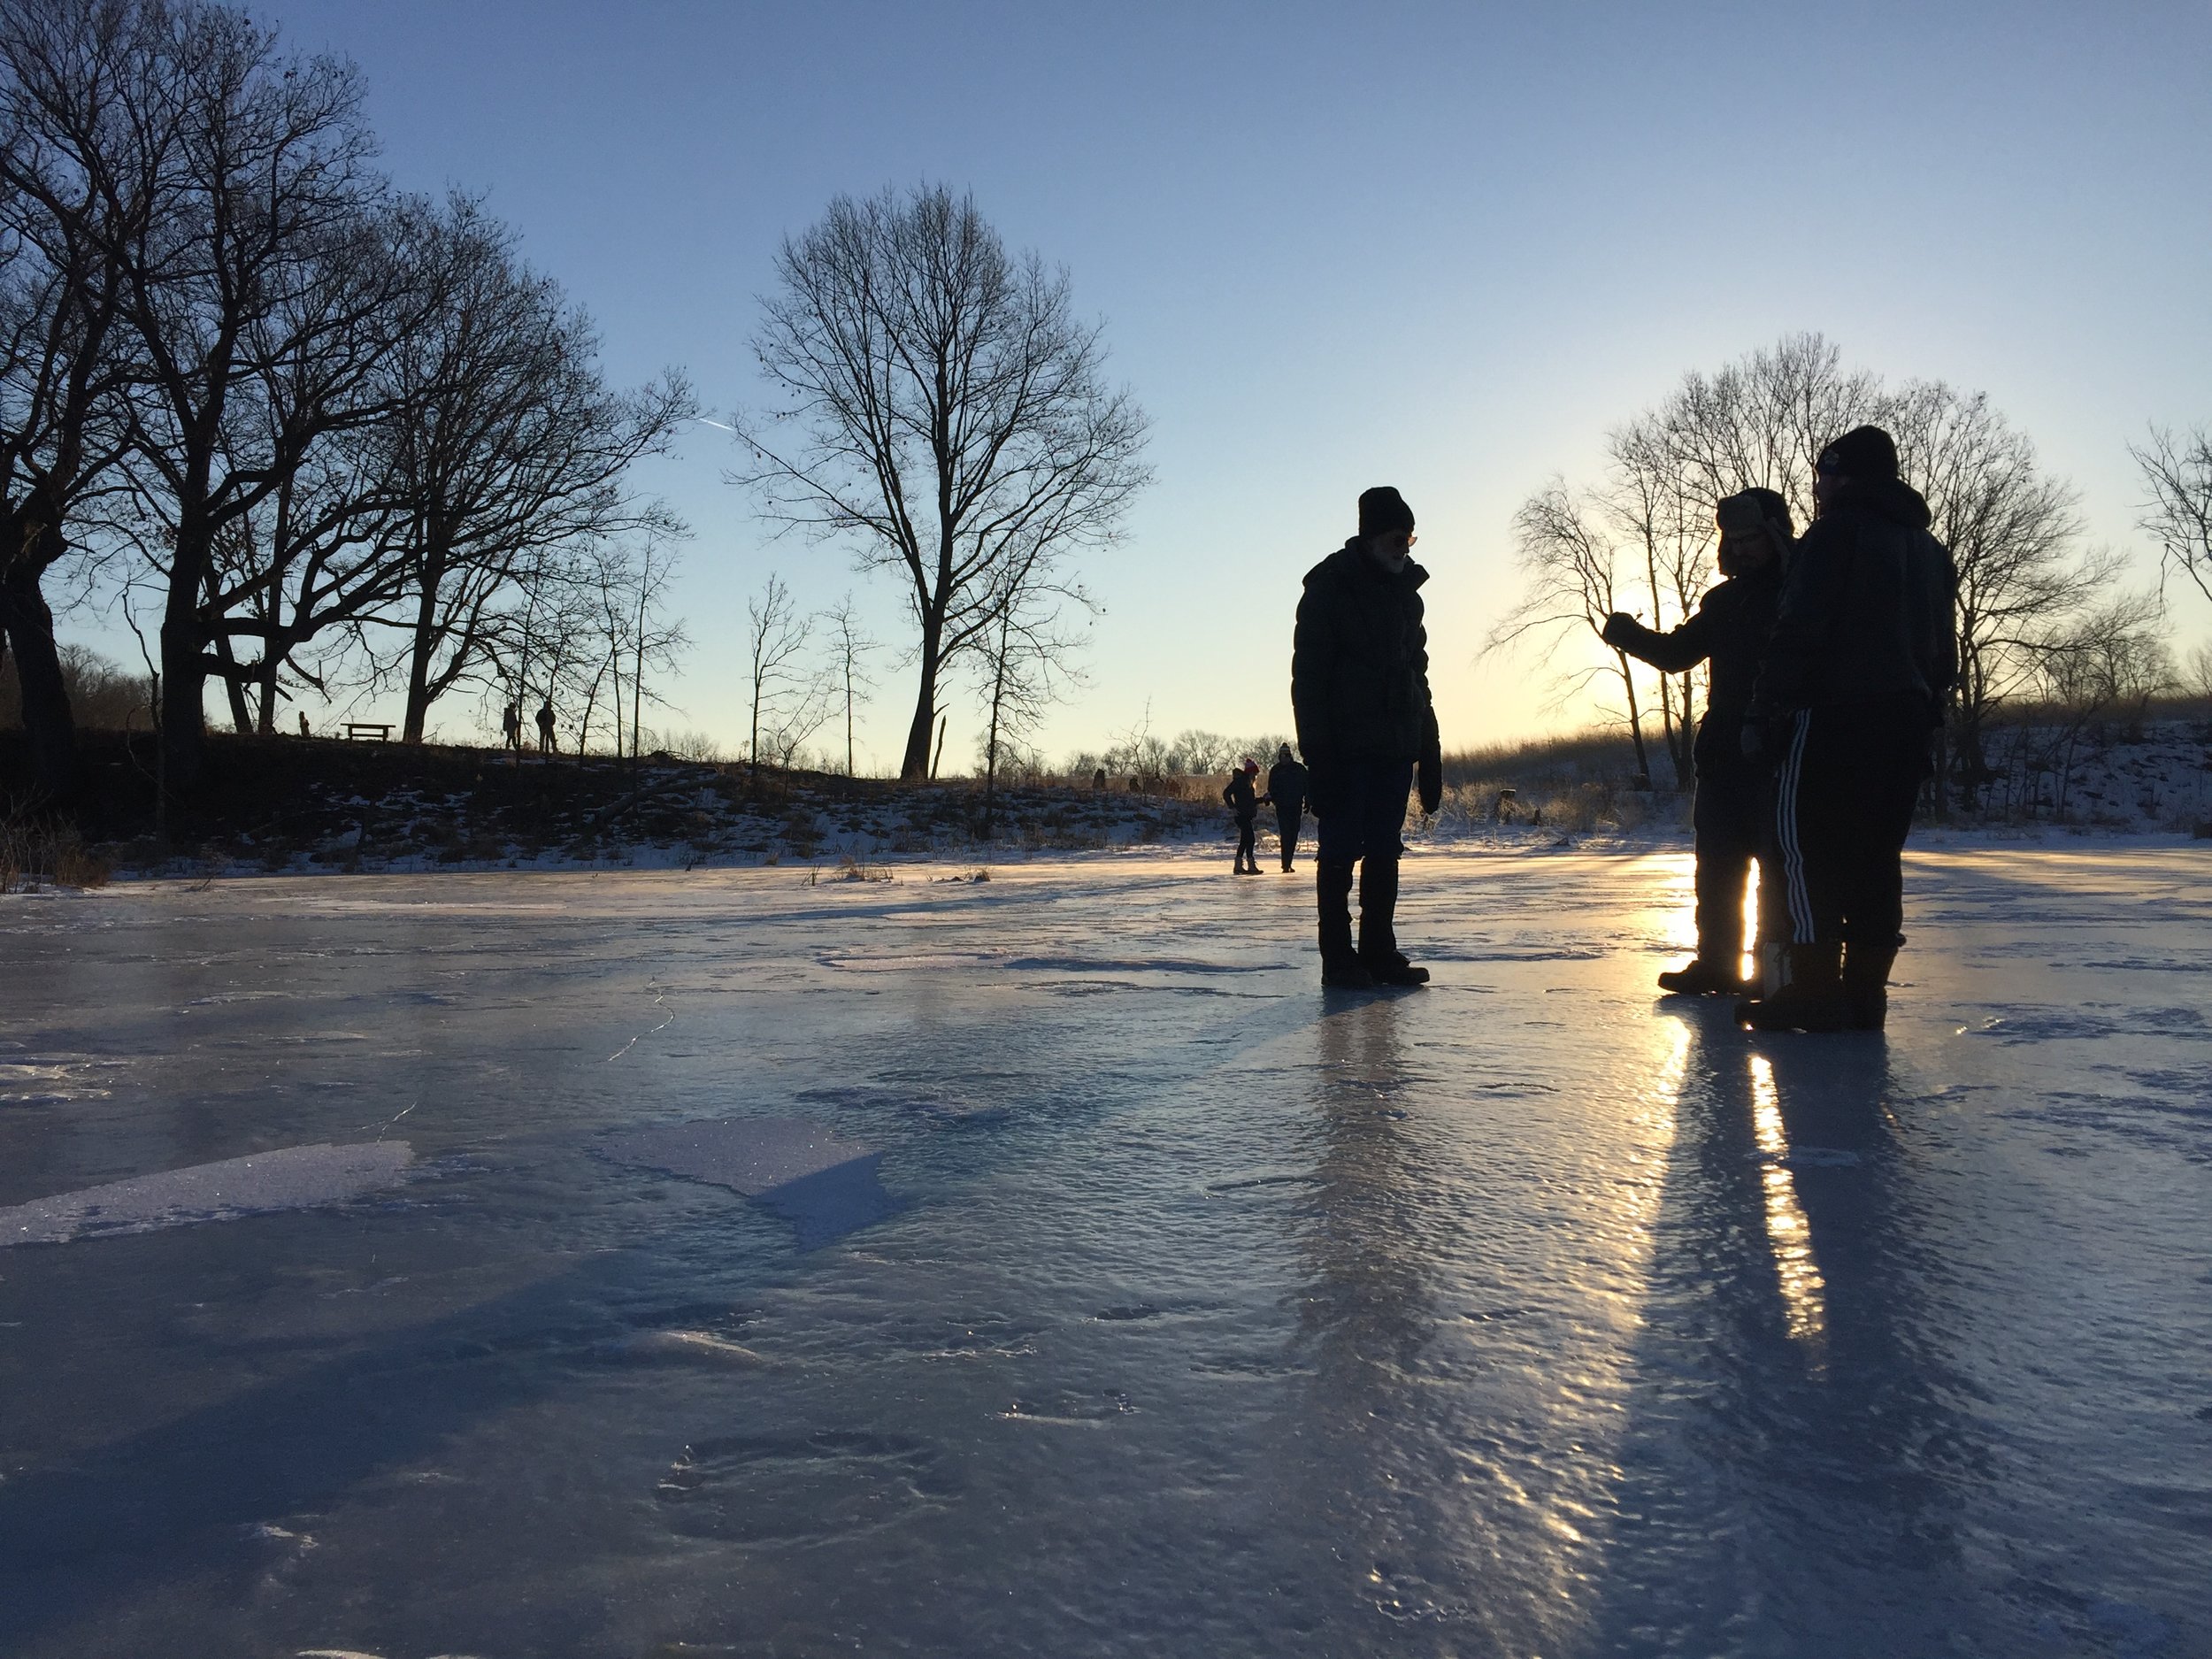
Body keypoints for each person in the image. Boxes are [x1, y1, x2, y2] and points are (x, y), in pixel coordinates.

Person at [1735, 426, 1957, 1033]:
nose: (1817, 485)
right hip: (1905, 724)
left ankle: (1812, 989)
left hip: (1832, 718)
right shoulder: (1931, 550)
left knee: (1803, 851)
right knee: (1876, 855)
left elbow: (1799, 626)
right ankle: (1864, 995)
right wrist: (1926, 711)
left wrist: (1764, 709)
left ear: (1846, 476)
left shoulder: (1834, 535)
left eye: (1825, 473)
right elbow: (1945, 656)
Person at [1601, 488, 1793, 996]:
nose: (1743, 548)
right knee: (1718, 868)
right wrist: (1630, 634)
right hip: (1725, 754)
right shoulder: (1724, 601)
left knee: (1779, 871)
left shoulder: (1802, 594)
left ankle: (1778, 971)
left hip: (1781, 754)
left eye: (1752, 537)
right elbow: (1678, 654)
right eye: (1733, 539)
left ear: (1776, 535)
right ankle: (1717, 964)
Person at [1291, 486, 1443, 987]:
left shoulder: (1407, 596)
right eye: (1398, 538)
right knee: (1339, 850)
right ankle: (1338, 958)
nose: (1406, 548)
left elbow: (1417, 675)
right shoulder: (1329, 589)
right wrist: (1319, 756)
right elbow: (1308, 682)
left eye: (1410, 539)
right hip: (1345, 750)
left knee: (1385, 848)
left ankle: (1380, 951)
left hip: (1395, 747)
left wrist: (1430, 747)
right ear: (1372, 536)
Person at [1263, 742, 1310, 872]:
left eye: (1286, 756)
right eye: (1281, 756)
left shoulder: (1299, 769)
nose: (1283, 758)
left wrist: (1308, 801)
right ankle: (1285, 864)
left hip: (1296, 805)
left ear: (1290, 756)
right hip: (1282, 806)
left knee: (1293, 834)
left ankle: (1289, 862)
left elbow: (1307, 787)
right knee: (1285, 834)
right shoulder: (1276, 770)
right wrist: (1270, 799)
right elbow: (1271, 788)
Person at [1223, 757, 1262, 875]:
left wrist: (1263, 799)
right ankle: (1250, 865)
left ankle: (1238, 865)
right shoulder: (1241, 782)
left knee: (1245, 840)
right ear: (1250, 772)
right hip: (1241, 815)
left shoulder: (1247, 783)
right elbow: (1226, 793)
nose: (1255, 775)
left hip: (1245, 815)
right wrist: (1232, 807)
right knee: (1250, 839)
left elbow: (1250, 801)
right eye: (1254, 773)